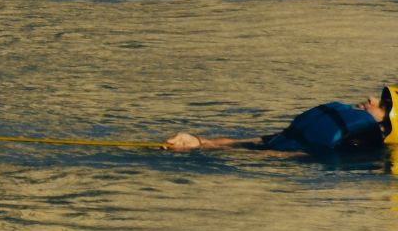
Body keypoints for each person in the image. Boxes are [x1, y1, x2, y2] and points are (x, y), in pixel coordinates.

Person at [164, 86, 395, 157]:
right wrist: (200, 142)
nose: (371, 98)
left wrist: (268, 155)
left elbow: (282, 153)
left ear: (388, 125)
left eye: (383, 104)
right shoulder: (342, 133)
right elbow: (261, 142)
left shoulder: (358, 147)